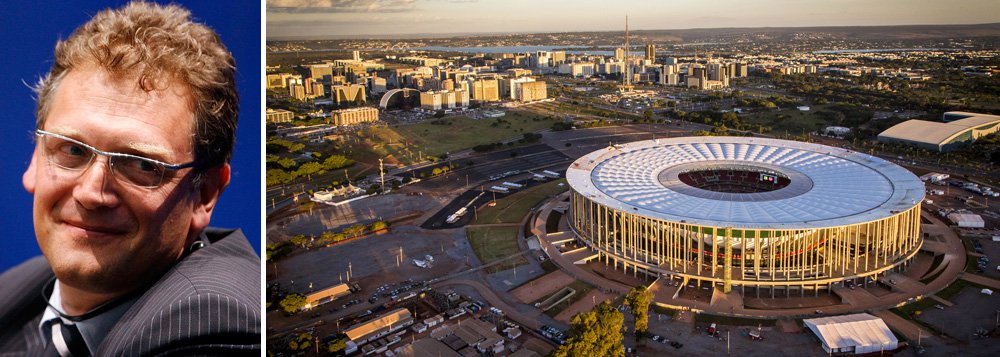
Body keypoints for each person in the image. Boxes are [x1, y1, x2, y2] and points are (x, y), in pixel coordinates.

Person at [0, 2, 260, 356]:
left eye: (140, 165)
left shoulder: (213, 325)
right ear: (34, 158)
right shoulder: (14, 291)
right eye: (73, 151)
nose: (92, 193)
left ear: (205, 193)